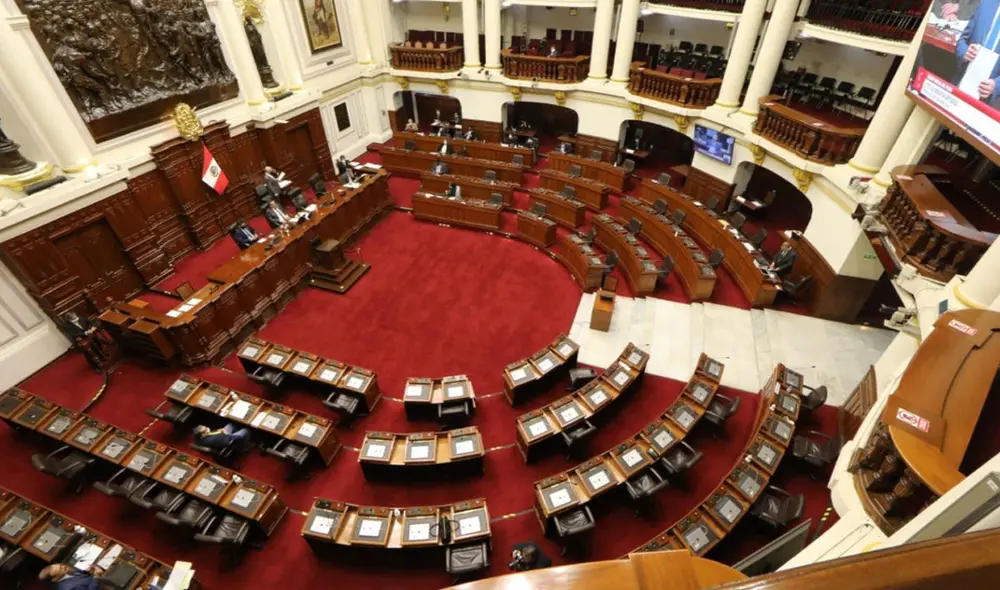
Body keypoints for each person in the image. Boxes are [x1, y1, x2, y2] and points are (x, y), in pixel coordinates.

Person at [954, 0, 1000, 103]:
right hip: (961, 82)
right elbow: (962, 40)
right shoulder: (986, 3)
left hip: (988, 99)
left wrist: (996, 85)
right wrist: (964, 52)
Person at [39, 563, 105, 590]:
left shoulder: (65, 572)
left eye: (60, 565)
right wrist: (96, 576)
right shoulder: (69, 588)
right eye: (61, 569)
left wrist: (87, 571)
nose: (64, 566)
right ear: (55, 579)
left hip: (101, 575)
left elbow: (80, 577)